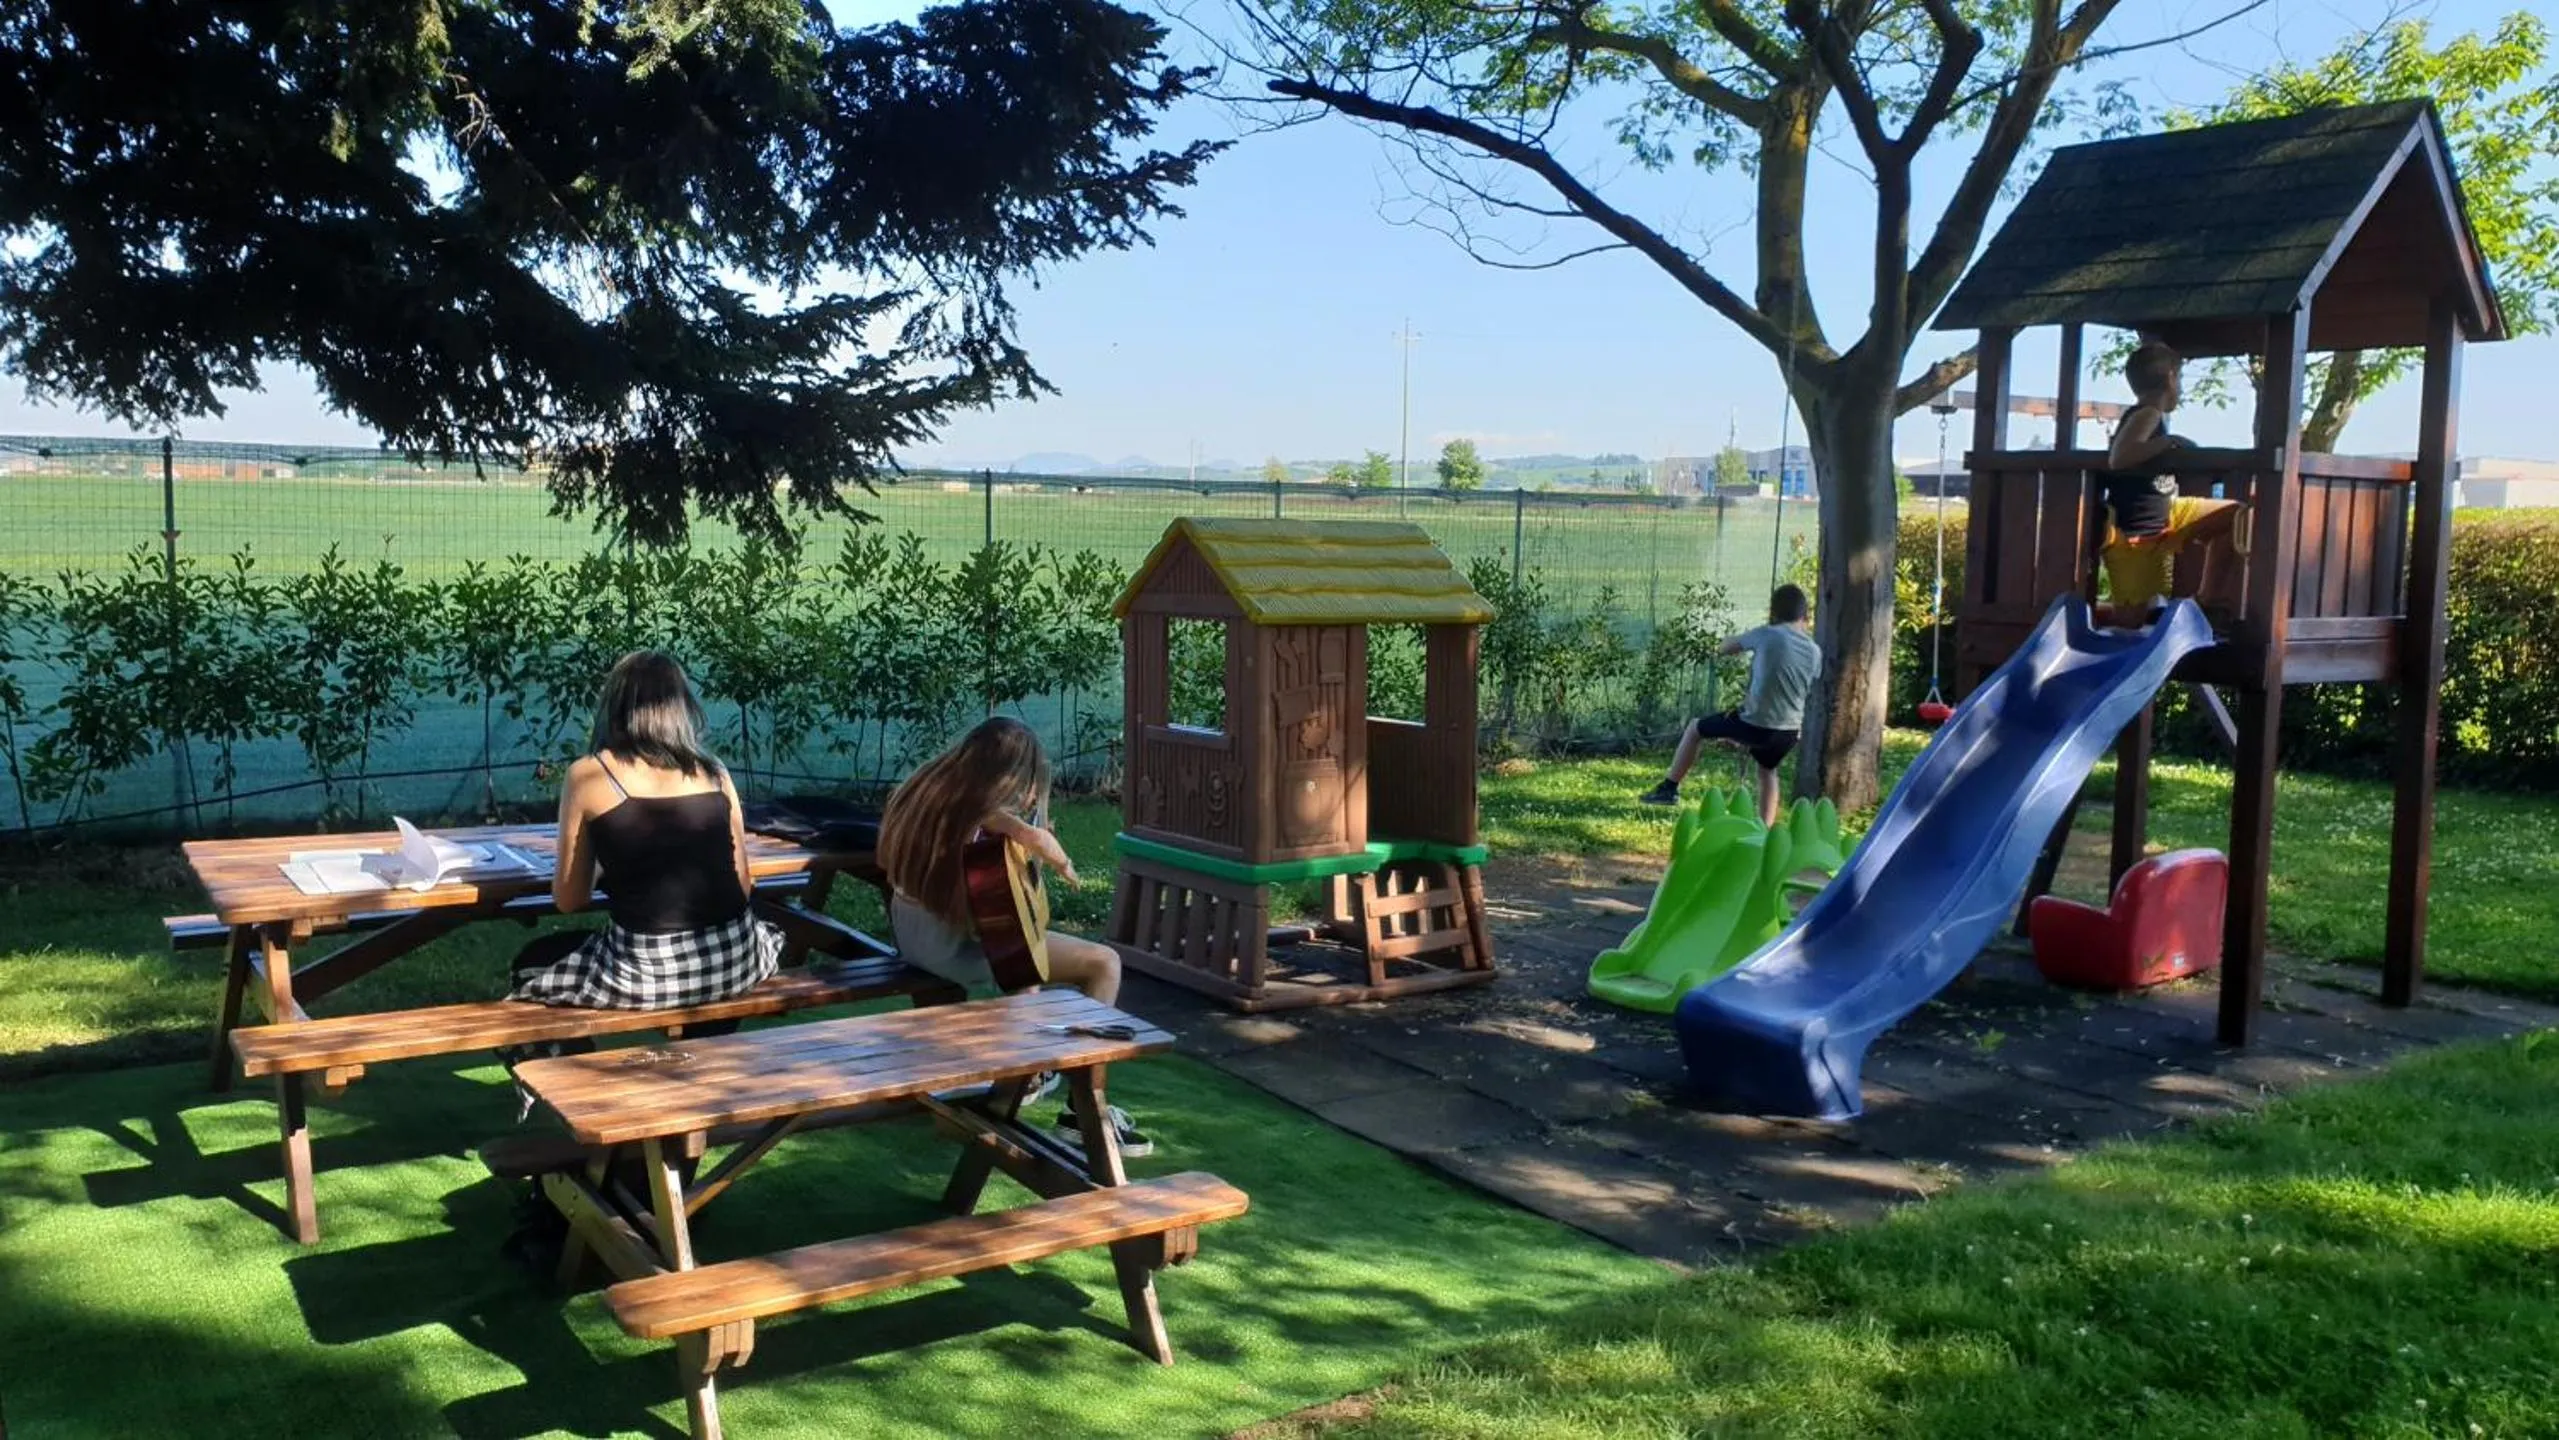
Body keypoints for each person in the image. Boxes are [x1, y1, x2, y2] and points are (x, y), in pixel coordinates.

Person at [877, 716, 1151, 1158]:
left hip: (912, 936)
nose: (1027, 795)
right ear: (1006, 776)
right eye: (1025, 783)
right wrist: (1032, 837)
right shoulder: (967, 815)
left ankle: (1012, 1088)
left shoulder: (923, 788)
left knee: (1025, 970)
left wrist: (1024, 835)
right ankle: (1082, 1110)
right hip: (953, 951)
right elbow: (984, 842)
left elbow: (975, 818)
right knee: (1103, 963)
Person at [1640, 584, 1820, 826]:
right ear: (1805, 616)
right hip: (1788, 732)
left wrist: (1738, 640)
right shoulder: (1815, 651)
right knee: (1768, 770)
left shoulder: (1768, 633)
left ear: (1774, 613)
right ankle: (1764, 830)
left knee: (1695, 728)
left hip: (1755, 724)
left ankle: (1669, 788)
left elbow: (1725, 648)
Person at [2098, 340, 2249, 626]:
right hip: (2135, 532)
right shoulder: (2148, 413)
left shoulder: (2149, 416)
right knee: (2130, 622)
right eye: (2179, 377)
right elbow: (2120, 457)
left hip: (2167, 514)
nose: (2180, 386)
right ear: (2170, 378)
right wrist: (2167, 442)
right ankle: (2099, 626)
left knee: (2234, 514)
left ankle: (2204, 601)